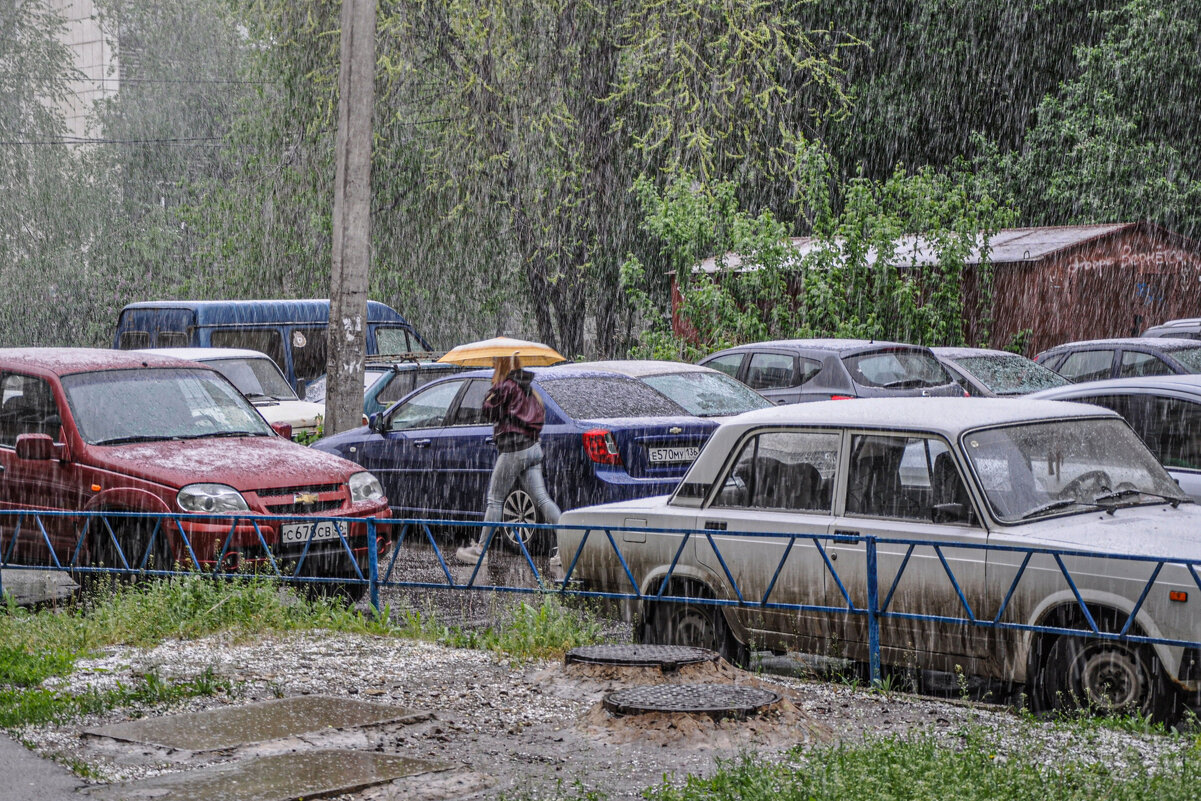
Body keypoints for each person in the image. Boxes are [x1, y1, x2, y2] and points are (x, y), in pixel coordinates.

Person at [455, 354, 561, 564]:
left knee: (495, 499)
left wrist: (490, 394)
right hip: (532, 448)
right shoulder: (528, 388)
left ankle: (480, 551)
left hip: (514, 449)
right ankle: (567, 548)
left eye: (495, 360)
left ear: (503, 363)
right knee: (542, 499)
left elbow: (488, 412)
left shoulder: (505, 386)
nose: (493, 363)